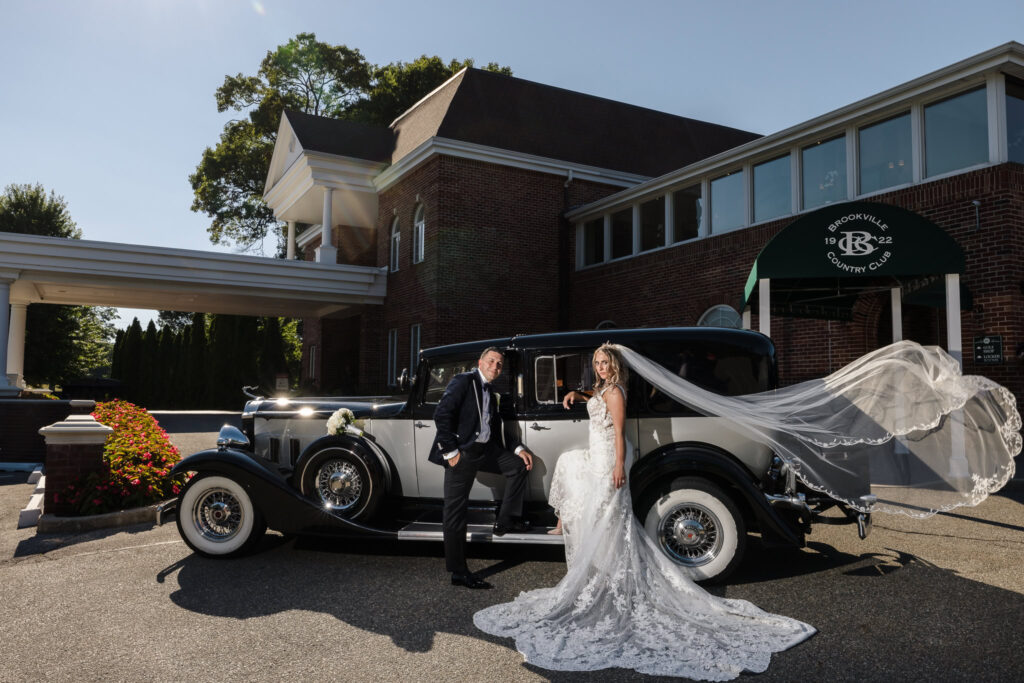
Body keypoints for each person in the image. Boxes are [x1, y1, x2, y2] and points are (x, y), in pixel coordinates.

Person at [473, 344, 815, 678]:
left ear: (615, 365)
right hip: (598, 451)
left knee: (609, 513)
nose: (601, 367)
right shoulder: (603, 388)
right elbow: (596, 397)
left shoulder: (616, 392)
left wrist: (619, 466)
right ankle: (569, 526)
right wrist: (577, 396)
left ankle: (603, 565)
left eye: (605, 362)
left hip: (610, 455)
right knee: (572, 468)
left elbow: (619, 431)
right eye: (597, 362)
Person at [430, 347, 535, 590]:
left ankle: (506, 521)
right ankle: (458, 572)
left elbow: (496, 427)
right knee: (455, 512)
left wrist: (518, 448)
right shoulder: (463, 381)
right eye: (491, 361)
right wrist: (451, 453)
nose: (495, 367)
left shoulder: (492, 391)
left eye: (499, 364)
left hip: (486, 451)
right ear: (480, 362)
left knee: (519, 467)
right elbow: (441, 414)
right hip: (463, 453)